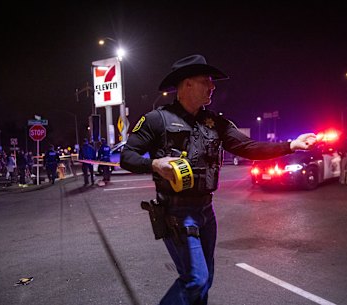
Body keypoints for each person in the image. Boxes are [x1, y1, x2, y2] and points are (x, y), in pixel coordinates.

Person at [120, 54, 317, 305]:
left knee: (206, 281)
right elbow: (127, 157)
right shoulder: (157, 119)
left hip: (205, 210)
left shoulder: (215, 122)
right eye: (206, 81)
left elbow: (249, 147)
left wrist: (291, 145)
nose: (212, 87)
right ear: (187, 83)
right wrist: (155, 164)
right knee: (195, 279)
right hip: (175, 212)